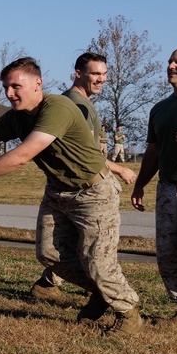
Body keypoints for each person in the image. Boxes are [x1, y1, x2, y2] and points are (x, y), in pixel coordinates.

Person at [0, 57, 142, 335]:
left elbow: (22, 156)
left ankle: (129, 313)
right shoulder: (16, 116)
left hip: (93, 192)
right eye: (6, 87)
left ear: (38, 84)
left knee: (97, 261)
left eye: (15, 86)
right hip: (58, 191)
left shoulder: (57, 108)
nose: (10, 93)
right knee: (49, 253)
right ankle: (102, 293)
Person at [31, 53, 138, 306]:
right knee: (87, 250)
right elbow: (87, 154)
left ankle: (49, 283)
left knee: (71, 244)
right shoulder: (77, 105)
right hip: (81, 189)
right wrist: (120, 170)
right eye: (94, 74)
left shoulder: (79, 102)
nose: (101, 79)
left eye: (103, 74)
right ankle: (112, 298)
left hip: (69, 188)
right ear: (78, 73)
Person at [131, 48, 177, 323]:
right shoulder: (159, 109)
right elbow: (153, 151)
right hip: (167, 188)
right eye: (170, 61)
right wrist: (140, 185)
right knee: (167, 252)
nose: (170, 65)